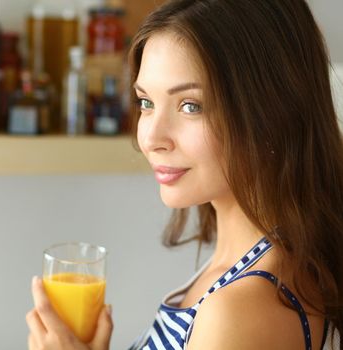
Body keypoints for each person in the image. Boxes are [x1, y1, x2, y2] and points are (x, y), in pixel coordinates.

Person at [26, 0, 343, 349]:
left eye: (190, 105)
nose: (150, 138)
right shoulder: (240, 266)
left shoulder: (241, 309)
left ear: (271, 111)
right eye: (146, 102)